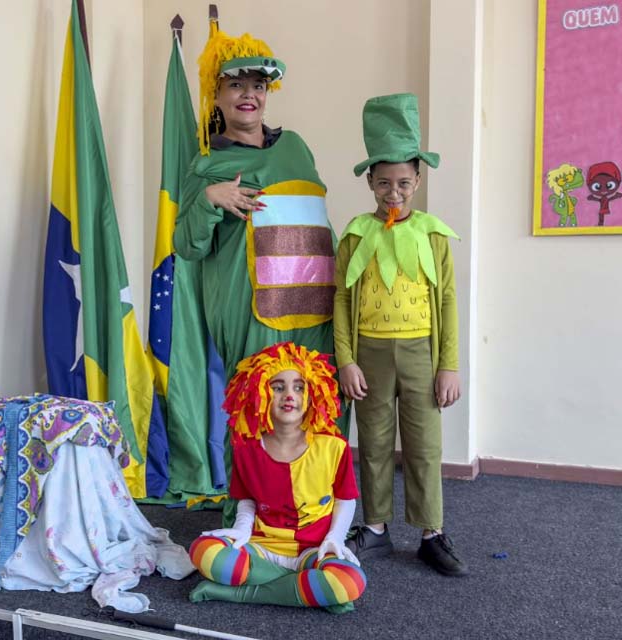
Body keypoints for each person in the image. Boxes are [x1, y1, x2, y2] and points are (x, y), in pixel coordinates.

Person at [172, 20, 343, 521]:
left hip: (313, 303)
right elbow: (187, 244)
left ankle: (315, 513)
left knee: (316, 401)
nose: (249, 95)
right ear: (217, 94)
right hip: (250, 307)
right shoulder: (206, 165)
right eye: (236, 85)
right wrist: (209, 199)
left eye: (259, 86)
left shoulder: (297, 147)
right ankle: (248, 515)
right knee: (256, 407)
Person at [333, 93, 467, 577]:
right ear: (369, 180)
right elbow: (342, 301)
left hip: (420, 353)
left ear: (418, 179)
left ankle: (431, 531)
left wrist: (448, 364)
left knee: (424, 443)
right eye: (384, 182)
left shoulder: (433, 236)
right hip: (369, 352)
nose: (394, 192)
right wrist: (346, 359)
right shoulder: (354, 236)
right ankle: (375, 528)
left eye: (404, 182)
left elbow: (448, 301)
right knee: (371, 440)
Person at [188, 343, 366, 612]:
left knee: (351, 581)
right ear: (259, 392)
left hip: (312, 549)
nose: (289, 395)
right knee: (203, 551)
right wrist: (242, 529)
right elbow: (246, 499)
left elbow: (346, 499)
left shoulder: (333, 446)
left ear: (314, 392)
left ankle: (240, 594)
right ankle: (305, 589)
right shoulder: (246, 447)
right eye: (278, 386)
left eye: (299, 386)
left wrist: (336, 538)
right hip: (262, 546)